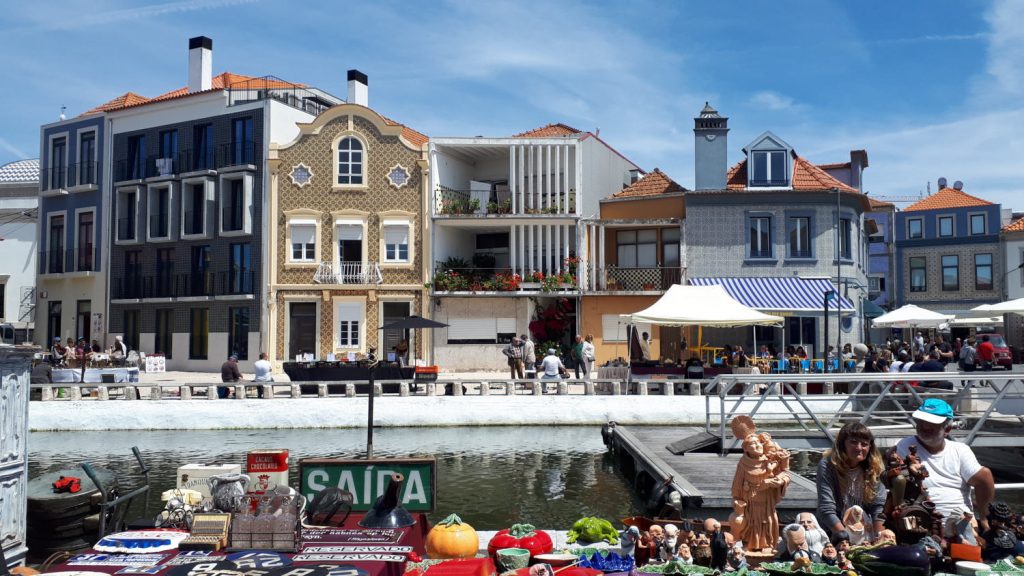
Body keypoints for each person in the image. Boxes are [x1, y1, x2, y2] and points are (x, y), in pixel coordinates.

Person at [895, 398, 995, 534]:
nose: (924, 427)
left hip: (960, 522)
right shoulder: (904, 445)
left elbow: (984, 478)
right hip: (919, 520)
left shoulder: (960, 450)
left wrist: (983, 517)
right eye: (921, 422)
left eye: (931, 424)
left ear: (947, 429)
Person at [816, 422, 886, 540]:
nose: (859, 448)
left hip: (863, 527)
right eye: (853, 442)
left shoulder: (875, 467)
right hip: (833, 529)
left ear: (870, 447)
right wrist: (844, 538)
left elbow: (878, 507)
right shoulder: (827, 465)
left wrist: (880, 537)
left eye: (864, 444)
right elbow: (826, 507)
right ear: (843, 444)